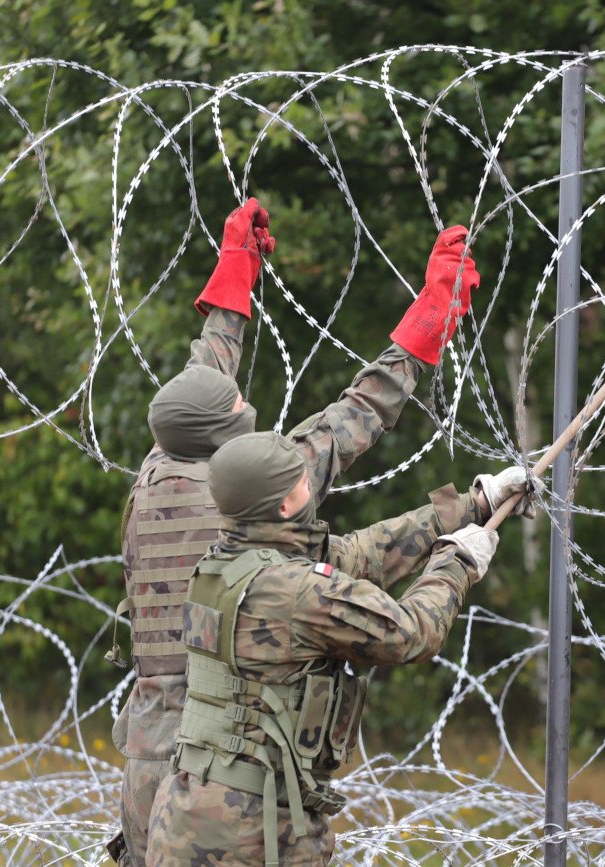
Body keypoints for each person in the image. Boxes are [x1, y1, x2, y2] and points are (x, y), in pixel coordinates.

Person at [107, 199, 484, 866]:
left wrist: (234, 273)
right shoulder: (252, 491)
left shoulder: (159, 468)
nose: (247, 411)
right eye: (240, 415)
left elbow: (205, 380)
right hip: (223, 771)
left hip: (149, 759)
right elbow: (360, 411)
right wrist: (429, 316)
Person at [144, 431, 535, 866]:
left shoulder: (224, 563)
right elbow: (411, 634)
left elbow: (364, 552)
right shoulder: (295, 591)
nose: (310, 483)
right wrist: (456, 563)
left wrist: (474, 504)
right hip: (251, 833)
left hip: (188, 815)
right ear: (283, 506)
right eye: (301, 480)